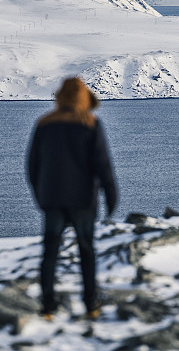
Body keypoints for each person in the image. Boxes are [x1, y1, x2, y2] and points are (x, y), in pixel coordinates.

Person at [27, 77, 118, 321]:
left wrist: (40, 196)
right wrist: (111, 195)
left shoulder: (44, 124)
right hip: (83, 199)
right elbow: (102, 164)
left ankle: (48, 306)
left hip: (52, 199)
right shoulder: (89, 123)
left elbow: (32, 166)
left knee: (50, 252)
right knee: (86, 250)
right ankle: (91, 304)